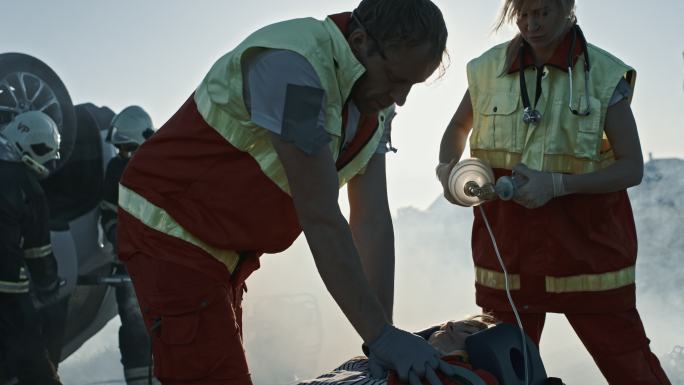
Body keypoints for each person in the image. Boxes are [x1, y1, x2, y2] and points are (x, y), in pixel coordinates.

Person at [117, 1, 457, 384]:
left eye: (413, 85)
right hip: (170, 231)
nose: (400, 98)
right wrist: (379, 335)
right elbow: (321, 216)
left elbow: (372, 218)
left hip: (221, 244)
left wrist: (384, 334)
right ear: (360, 41)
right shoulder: (295, 71)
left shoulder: (373, 101)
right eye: (396, 79)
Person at [436, 1, 671, 384]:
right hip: (509, 255)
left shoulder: (604, 75)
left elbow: (632, 167)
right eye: (523, 14)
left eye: (543, 12)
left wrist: (560, 185)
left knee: (630, 368)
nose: (532, 24)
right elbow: (456, 131)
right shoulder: (487, 69)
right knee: (508, 371)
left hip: (588, 255)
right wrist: (448, 172)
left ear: (567, 7)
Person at [0, 111, 63, 385]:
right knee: (35, 369)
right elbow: (39, 253)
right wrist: (50, 288)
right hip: (8, 296)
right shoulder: (27, 186)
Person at [101, 106, 158, 385]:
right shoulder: (116, 169)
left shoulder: (165, 167)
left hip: (162, 265)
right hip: (128, 264)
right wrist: (117, 237)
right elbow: (108, 212)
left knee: (167, 328)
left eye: (126, 148)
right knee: (134, 331)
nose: (122, 155)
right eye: (120, 149)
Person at [299, 316, 500, 385]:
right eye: (443, 326)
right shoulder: (366, 361)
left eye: (464, 330)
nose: (447, 327)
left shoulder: (469, 376)